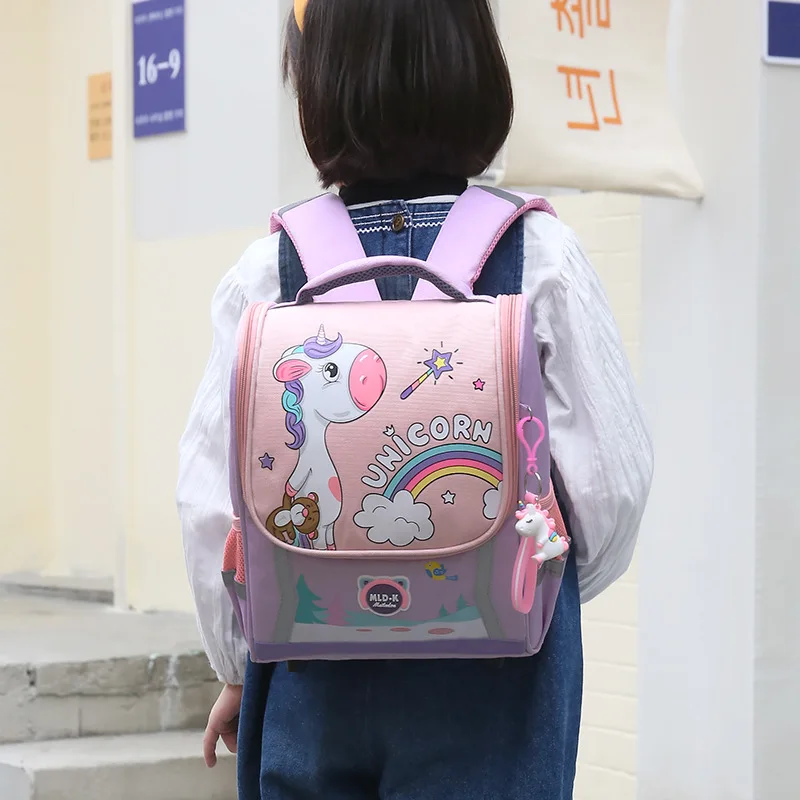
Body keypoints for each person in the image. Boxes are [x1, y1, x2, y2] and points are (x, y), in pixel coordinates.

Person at [176, 1, 653, 797]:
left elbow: (205, 502)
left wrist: (232, 661)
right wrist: (531, 588)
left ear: (318, 84)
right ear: (476, 66)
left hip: (311, 664)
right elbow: (610, 484)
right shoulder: (541, 256)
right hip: (500, 679)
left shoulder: (269, 272)